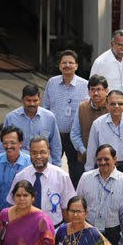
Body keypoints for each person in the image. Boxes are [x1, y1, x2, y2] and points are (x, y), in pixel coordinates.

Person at [44, 51, 91, 182]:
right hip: (55, 135)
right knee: (52, 169)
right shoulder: (52, 83)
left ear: (76, 66)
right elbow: (46, 108)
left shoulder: (85, 85)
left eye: (71, 63)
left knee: (76, 172)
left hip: (74, 136)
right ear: (59, 66)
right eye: (64, 63)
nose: (67, 65)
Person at [76, 144, 123, 245]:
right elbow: (78, 203)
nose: (103, 162)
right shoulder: (85, 178)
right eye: (99, 159)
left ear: (115, 159)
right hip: (89, 228)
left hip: (114, 231)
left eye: (106, 159)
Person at [3, 83, 64, 166]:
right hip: (19, 165)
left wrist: (56, 167)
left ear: (39, 99)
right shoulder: (11, 118)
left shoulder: (49, 118)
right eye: (28, 100)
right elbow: (3, 145)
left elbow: (56, 145)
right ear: (22, 100)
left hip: (43, 165)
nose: (32, 104)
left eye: (35, 100)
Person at [87, 90, 123, 175]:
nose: (116, 106)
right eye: (112, 104)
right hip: (103, 165)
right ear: (107, 105)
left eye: (120, 104)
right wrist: (89, 173)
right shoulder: (97, 124)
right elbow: (91, 152)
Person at [0, 127, 31, 213]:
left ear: (20, 143)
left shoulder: (30, 163)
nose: (8, 146)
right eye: (5, 143)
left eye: (12, 143)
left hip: (22, 212)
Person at [89, 29, 123, 106]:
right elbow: (92, 85)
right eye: (120, 45)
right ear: (112, 43)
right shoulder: (100, 62)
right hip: (109, 103)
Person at [72, 75, 110, 167]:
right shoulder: (82, 107)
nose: (95, 93)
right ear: (88, 92)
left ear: (106, 91)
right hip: (85, 159)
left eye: (99, 89)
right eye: (92, 90)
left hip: (109, 161)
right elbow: (74, 134)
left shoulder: (112, 108)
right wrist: (85, 152)